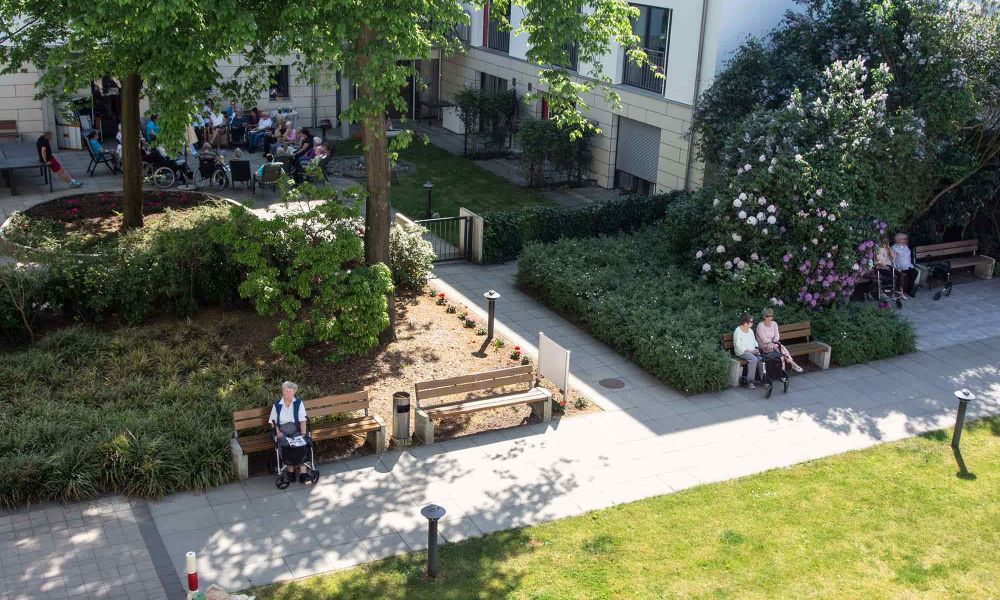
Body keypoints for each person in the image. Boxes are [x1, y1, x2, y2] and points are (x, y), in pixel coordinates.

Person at [269, 381, 311, 483]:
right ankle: (290, 471)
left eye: (290, 392)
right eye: (286, 391)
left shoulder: (298, 403)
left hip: (296, 429)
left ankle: (303, 473)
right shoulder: (277, 405)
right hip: (282, 430)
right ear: (283, 392)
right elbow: (272, 421)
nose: (288, 394)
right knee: (286, 445)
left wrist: (303, 434)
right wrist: (278, 432)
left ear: (294, 392)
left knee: (301, 443)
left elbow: (302, 420)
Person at [756, 308, 804, 373]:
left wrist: (774, 342)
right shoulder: (760, 326)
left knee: (780, 351)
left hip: (774, 344)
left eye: (771, 316)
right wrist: (773, 343)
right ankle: (791, 365)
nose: (769, 318)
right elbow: (764, 340)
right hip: (764, 346)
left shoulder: (774, 324)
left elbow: (777, 336)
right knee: (779, 348)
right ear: (764, 316)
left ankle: (785, 368)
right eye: (767, 316)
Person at [733, 314, 762, 388]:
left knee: (760, 358)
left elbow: (754, 341)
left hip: (752, 351)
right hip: (742, 352)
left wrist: (757, 349)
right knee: (754, 359)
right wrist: (750, 351)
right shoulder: (738, 331)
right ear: (746, 323)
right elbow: (738, 346)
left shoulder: (750, 331)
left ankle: (762, 379)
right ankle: (750, 381)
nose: (752, 323)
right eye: (751, 322)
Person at [892, 232, 918, 299]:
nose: (905, 240)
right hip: (899, 266)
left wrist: (910, 265)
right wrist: (895, 268)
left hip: (907, 265)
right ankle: (911, 289)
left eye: (905, 239)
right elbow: (892, 259)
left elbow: (908, 258)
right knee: (912, 273)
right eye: (903, 239)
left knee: (915, 272)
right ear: (898, 240)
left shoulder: (906, 247)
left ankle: (910, 288)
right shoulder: (894, 248)